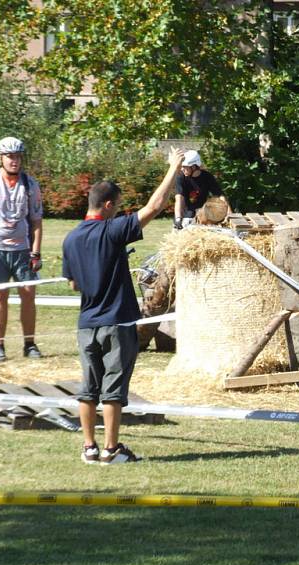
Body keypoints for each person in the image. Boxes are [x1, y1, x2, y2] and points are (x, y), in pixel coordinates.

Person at [62, 147, 185, 465]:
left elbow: (73, 283)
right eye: (116, 207)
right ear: (106, 206)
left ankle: (88, 447)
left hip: (86, 324)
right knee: (113, 388)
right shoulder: (113, 231)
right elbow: (154, 206)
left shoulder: (70, 239)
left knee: (88, 388)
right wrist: (173, 168)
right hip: (117, 322)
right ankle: (111, 449)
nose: (118, 212)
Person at [0, 137, 43, 363]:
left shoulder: (30, 184)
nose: (14, 161)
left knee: (28, 297)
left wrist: (35, 252)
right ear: (1, 158)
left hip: (23, 250)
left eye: (18, 156)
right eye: (10, 156)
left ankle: (29, 344)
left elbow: (36, 222)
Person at [173, 150, 231, 229]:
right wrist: (178, 218)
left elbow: (220, 195)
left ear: (194, 167)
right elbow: (179, 199)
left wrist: (229, 213)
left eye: (185, 167)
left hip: (202, 215)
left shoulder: (207, 177)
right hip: (184, 214)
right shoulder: (180, 177)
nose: (182, 169)